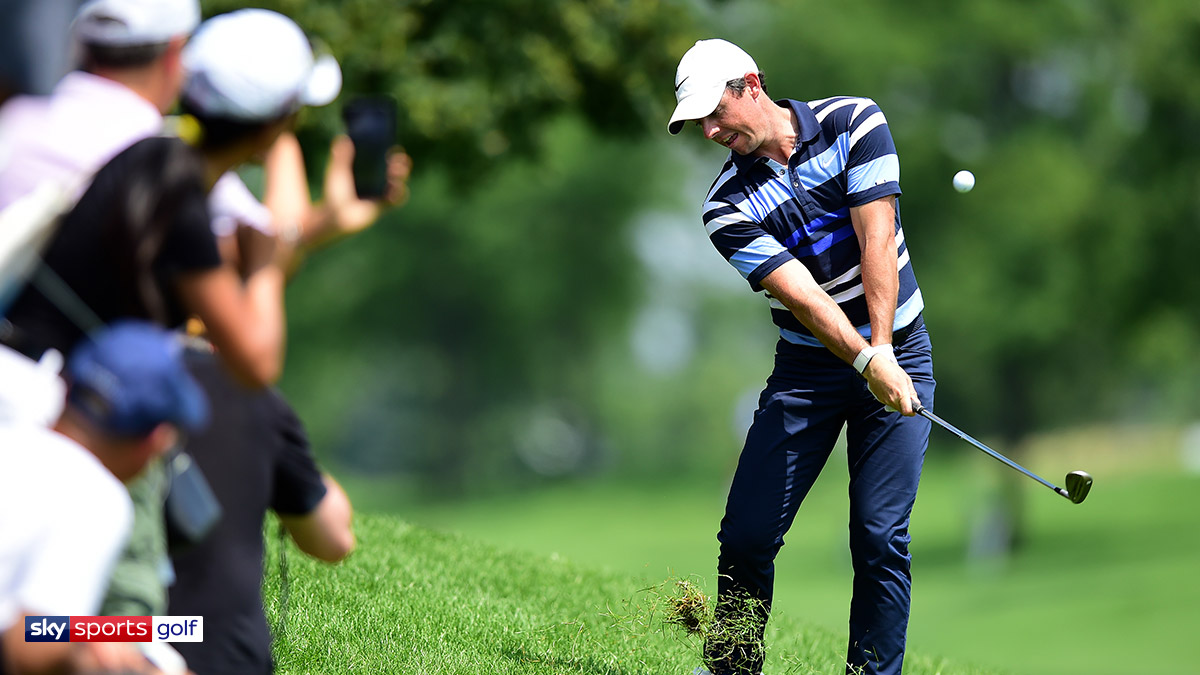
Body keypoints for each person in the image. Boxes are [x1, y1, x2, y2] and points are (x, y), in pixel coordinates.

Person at [666, 39, 936, 675]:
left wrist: (885, 352)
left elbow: (877, 236)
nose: (708, 130)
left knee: (878, 537)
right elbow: (808, 300)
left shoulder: (855, 121)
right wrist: (869, 364)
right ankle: (732, 668)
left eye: (714, 112)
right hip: (809, 373)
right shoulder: (723, 207)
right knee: (748, 536)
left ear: (751, 84)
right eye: (696, 122)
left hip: (899, 348)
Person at [0, 320, 207, 675]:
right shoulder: (98, 498)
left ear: (64, 385)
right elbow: (30, 643)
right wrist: (104, 658)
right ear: (153, 443)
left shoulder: (11, 434)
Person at [167, 346, 354, 675]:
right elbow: (334, 540)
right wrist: (291, 461)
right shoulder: (246, 395)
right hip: (220, 653)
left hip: (94, 638)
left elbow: (49, 629)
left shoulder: (73, 380)